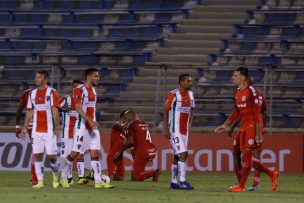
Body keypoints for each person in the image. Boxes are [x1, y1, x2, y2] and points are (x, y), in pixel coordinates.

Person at [215, 67, 279, 192]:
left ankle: (242, 185)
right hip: (244, 126)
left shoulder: (252, 92)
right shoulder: (238, 91)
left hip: (253, 126)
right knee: (237, 151)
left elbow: (257, 113)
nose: (233, 77)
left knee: (248, 155)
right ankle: (271, 173)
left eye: (235, 75)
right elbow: (237, 111)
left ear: (243, 77)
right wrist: (226, 124)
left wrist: (259, 132)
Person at [60, 68, 113, 189]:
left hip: (92, 127)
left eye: (98, 76)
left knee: (95, 153)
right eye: (96, 76)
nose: (98, 78)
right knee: (75, 153)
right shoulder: (79, 90)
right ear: (88, 77)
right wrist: (89, 120)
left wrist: (92, 121)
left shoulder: (94, 90)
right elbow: (78, 108)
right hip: (81, 126)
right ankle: (63, 175)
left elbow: (91, 108)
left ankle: (98, 181)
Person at [20, 70, 60, 189]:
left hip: (49, 129)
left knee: (52, 157)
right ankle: (40, 182)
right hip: (36, 130)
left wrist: (57, 127)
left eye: (39, 77)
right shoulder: (32, 94)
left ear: (45, 80)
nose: (36, 79)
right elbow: (29, 111)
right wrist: (25, 127)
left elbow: (55, 110)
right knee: (38, 155)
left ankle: (55, 176)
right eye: (36, 77)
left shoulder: (52, 92)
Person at [163, 74, 195, 190]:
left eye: (190, 81)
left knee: (177, 156)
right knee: (184, 154)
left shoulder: (191, 95)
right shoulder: (173, 94)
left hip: (184, 131)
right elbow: (166, 111)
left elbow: (192, 109)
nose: (190, 83)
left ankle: (173, 182)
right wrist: (166, 129)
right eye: (188, 81)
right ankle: (182, 181)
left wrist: (189, 124)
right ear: (181, 82)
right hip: (174, 130)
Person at [114, 111, 160, 182]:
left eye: (125, 118)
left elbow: (129, 141)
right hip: (151, 150)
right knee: (134, 176)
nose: (124, 120)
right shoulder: (144, 123)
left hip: (142, 152)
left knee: (136, 177)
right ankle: (145, 173)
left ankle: (155, 172)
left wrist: (120, 151)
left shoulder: (132, 125)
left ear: (130, 117)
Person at [59, 79, 89, 185]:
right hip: (67, 132)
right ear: (71, 87)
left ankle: (81, 177)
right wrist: (63, 109)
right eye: (74, 87)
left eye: (78, 87)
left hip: (79, 131)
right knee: (68, 155)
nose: (76, 89)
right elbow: (55, 107)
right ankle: (69, 178)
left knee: (80, 154)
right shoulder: (65, 99)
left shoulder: (82, 100)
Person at [16, 86, 38, 185]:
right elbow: (20, 109)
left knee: (39, 151)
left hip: (45, 126)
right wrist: (18, 126)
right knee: (36, 151)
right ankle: (34, 178)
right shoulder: (28, 93)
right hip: (32, 125)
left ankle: (34, 176)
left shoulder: (49, 92)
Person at [107, 111, 128, 181]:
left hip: (120, 158)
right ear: (122, 118)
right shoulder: (116, 126)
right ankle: (96, 175)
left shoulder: (127, 132)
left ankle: (96, 175)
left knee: (120, 178)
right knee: (111, 178)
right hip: (112, 157)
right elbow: (122, 126)